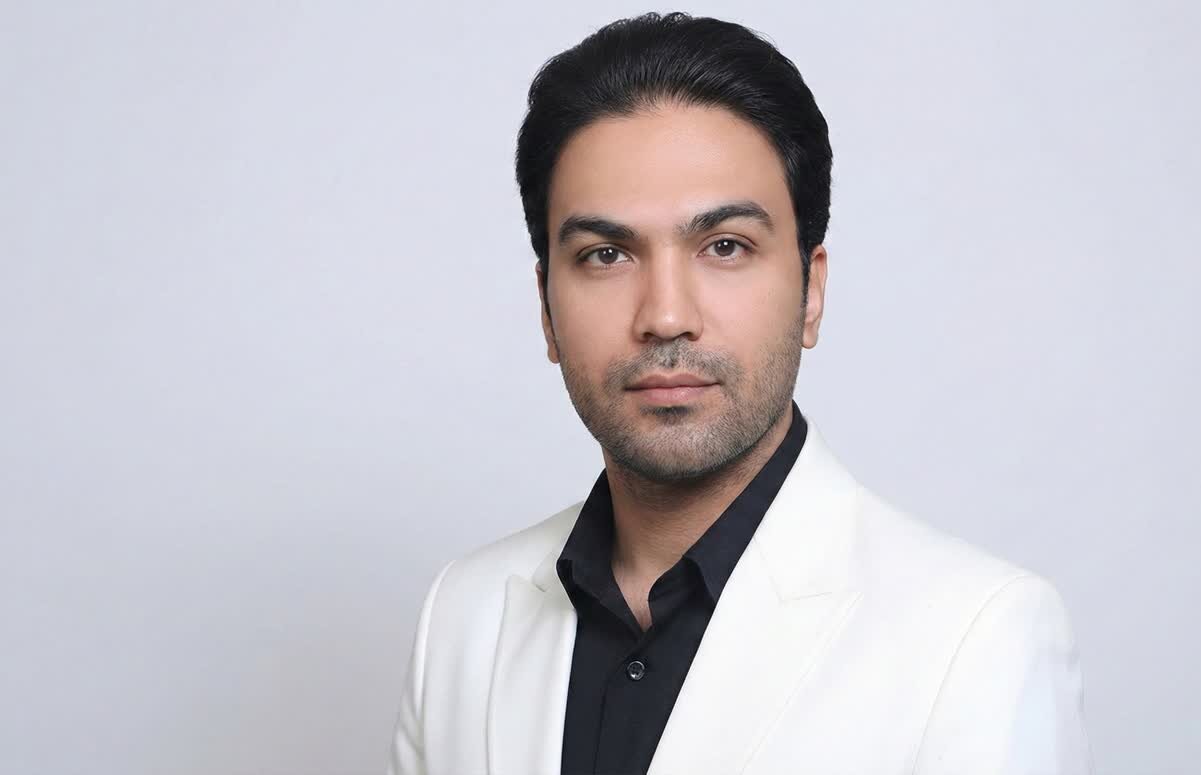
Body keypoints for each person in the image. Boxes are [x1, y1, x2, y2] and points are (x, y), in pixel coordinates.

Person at [388, 11, 1092, 775]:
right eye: (606, 254)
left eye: (725, 246)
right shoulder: (462, 617)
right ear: (546, 307)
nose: (665, 316)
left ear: (811, 292)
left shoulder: (976, 640)